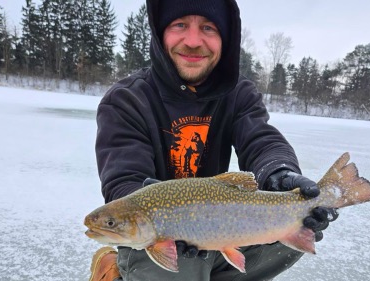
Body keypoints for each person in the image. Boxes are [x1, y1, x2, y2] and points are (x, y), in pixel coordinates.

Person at [89, 0, 338, 280]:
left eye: (208, 28)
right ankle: (114, 266)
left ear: (225, 39)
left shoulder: (238, 92)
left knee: (292, 230)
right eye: (179, 25)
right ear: (160, 35)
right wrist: (172, 223)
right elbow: (125, 180)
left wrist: (279, 172)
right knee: (179, 267)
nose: (193, 41)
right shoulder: (127, 99)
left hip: (220, 221)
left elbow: (260, 139)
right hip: (154, 239)